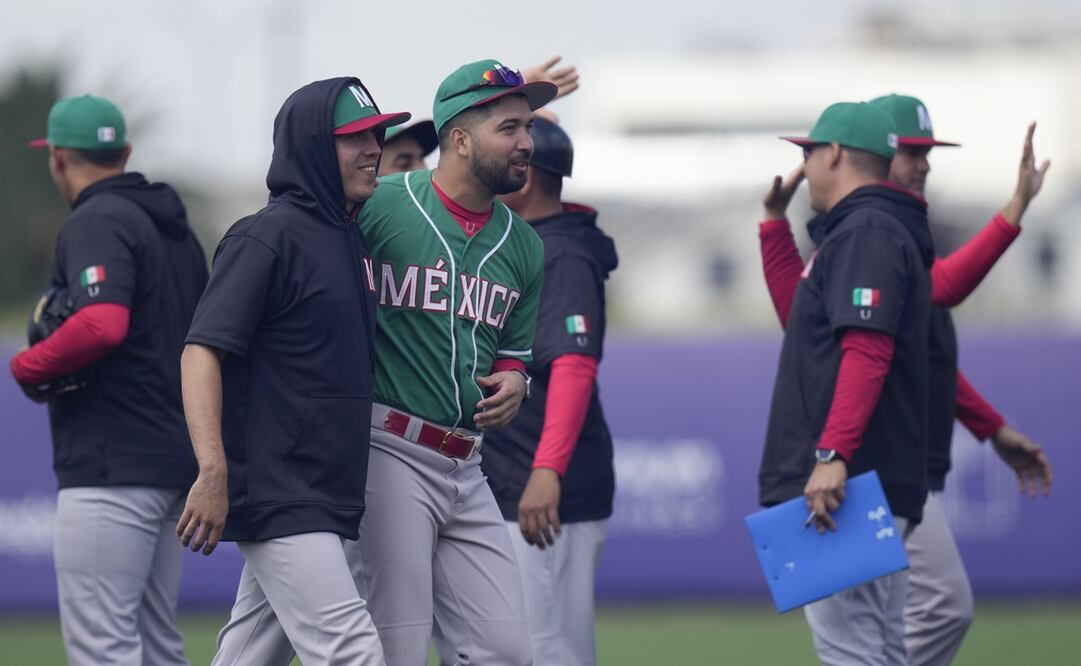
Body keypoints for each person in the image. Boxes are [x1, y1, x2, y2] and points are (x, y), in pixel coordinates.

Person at [177, 77, 410, 666]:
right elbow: (200, 352)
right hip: (280, 488)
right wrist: (212, 469)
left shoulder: (347, 233)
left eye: (376, 136)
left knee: (251, 654)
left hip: (323, 491)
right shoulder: (268, 235)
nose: (373, 150)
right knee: (351, 650)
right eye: (353, 138)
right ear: (309, 146)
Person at [9, 94, 208, 666]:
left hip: (111, 467)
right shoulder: (177, 234)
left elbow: (100, 323)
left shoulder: (96, 218)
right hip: (173, 465)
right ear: (123, 151)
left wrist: (30, 364)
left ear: (59, 158)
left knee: (105, 649)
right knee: (155, 646)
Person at [868, 94, 1054, 666]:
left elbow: (928, 361)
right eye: (910, 152)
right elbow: (942, 289)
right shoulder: (870, 235)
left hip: (880, 467)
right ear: (873, 156)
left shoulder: (897, 234)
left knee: (878, 625)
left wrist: (992, 429)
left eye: (927, 152)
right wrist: (1015, 207)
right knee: (936, 608)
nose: (923, 164)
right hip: (863, 468)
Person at [758, 101, 934, 665]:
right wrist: (773, 224)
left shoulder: (867, 230)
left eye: (808, 153)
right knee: (876, 650)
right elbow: (804, 329)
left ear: (833, 153)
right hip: (862, 477)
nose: (804, 167)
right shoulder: (863, 229)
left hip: (849, 483)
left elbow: (867, 350)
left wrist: (832, 454)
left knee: (851, 653)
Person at [472, 116, 618, 665]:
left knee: (549, 649)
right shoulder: (527, 245)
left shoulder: (563, 253)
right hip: (512, 482)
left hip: (545, 491)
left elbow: (575, 368)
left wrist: (547, 470)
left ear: (526, 178)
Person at [376, 55, 578, 178]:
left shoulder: (503, 223)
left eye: (421, 158)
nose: (421, 169)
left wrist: (511, 99)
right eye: (403, 163)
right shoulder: (365, 223)